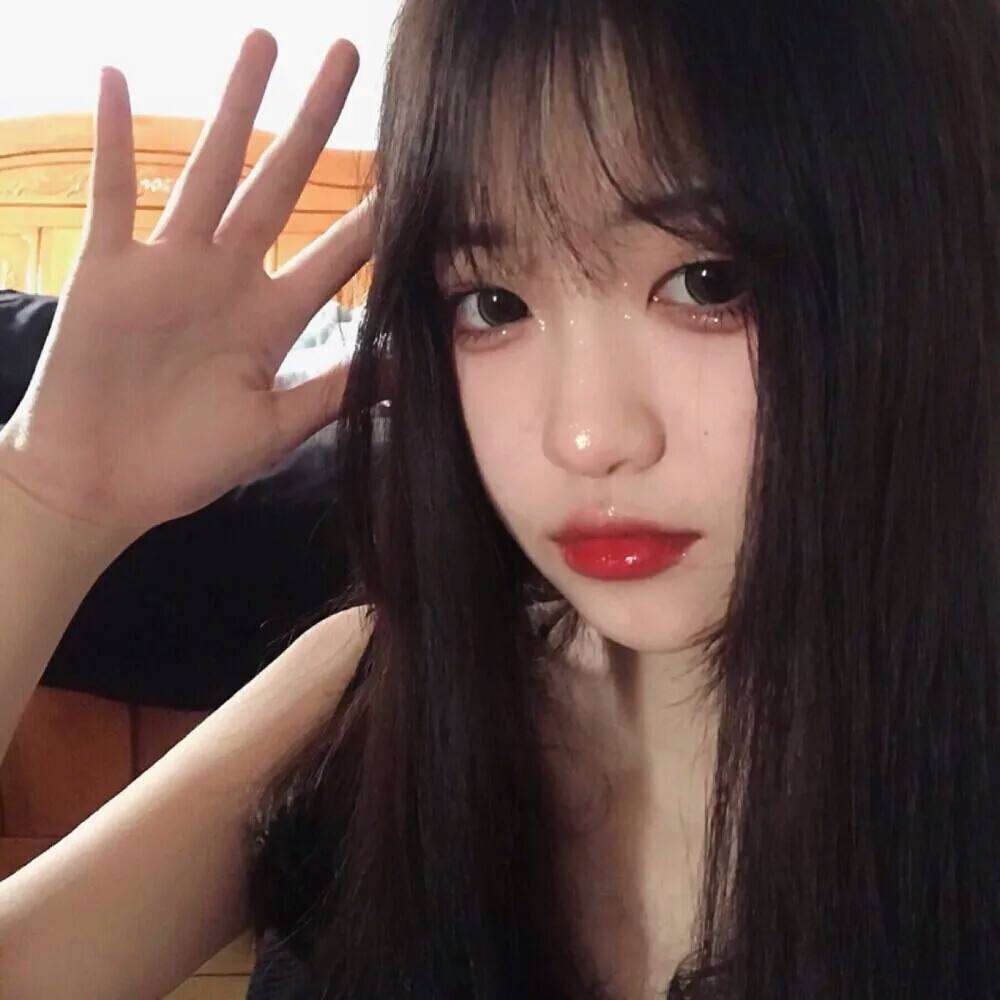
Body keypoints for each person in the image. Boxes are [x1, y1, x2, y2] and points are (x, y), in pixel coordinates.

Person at [0, 3, 996, 999]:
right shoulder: (370, 690)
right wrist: (49, 497)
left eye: (706, 281)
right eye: (492, 303)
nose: (585, 437)